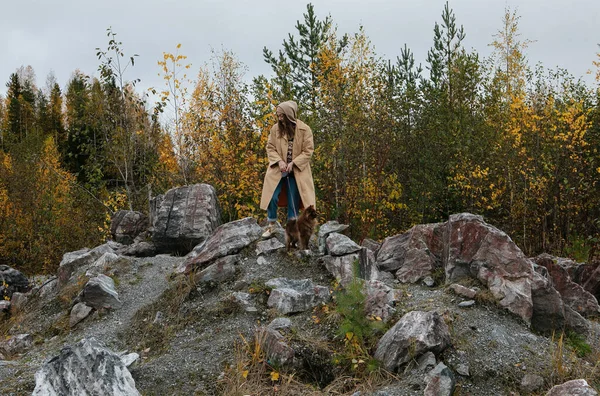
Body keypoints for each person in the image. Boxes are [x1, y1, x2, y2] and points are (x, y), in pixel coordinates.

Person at [260, 101, 316, 237]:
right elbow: (270, 147)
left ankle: (292, 231)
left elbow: (308, 150)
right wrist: (279, 161)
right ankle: (271, 225)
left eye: (282, 116)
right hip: (278, 170)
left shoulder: (305, 129)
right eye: (278, 116)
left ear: (289, 115)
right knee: (272, 197)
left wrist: (294, 163)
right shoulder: (275, 130)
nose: (279, 119)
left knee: (294, 201)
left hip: (297, 171)